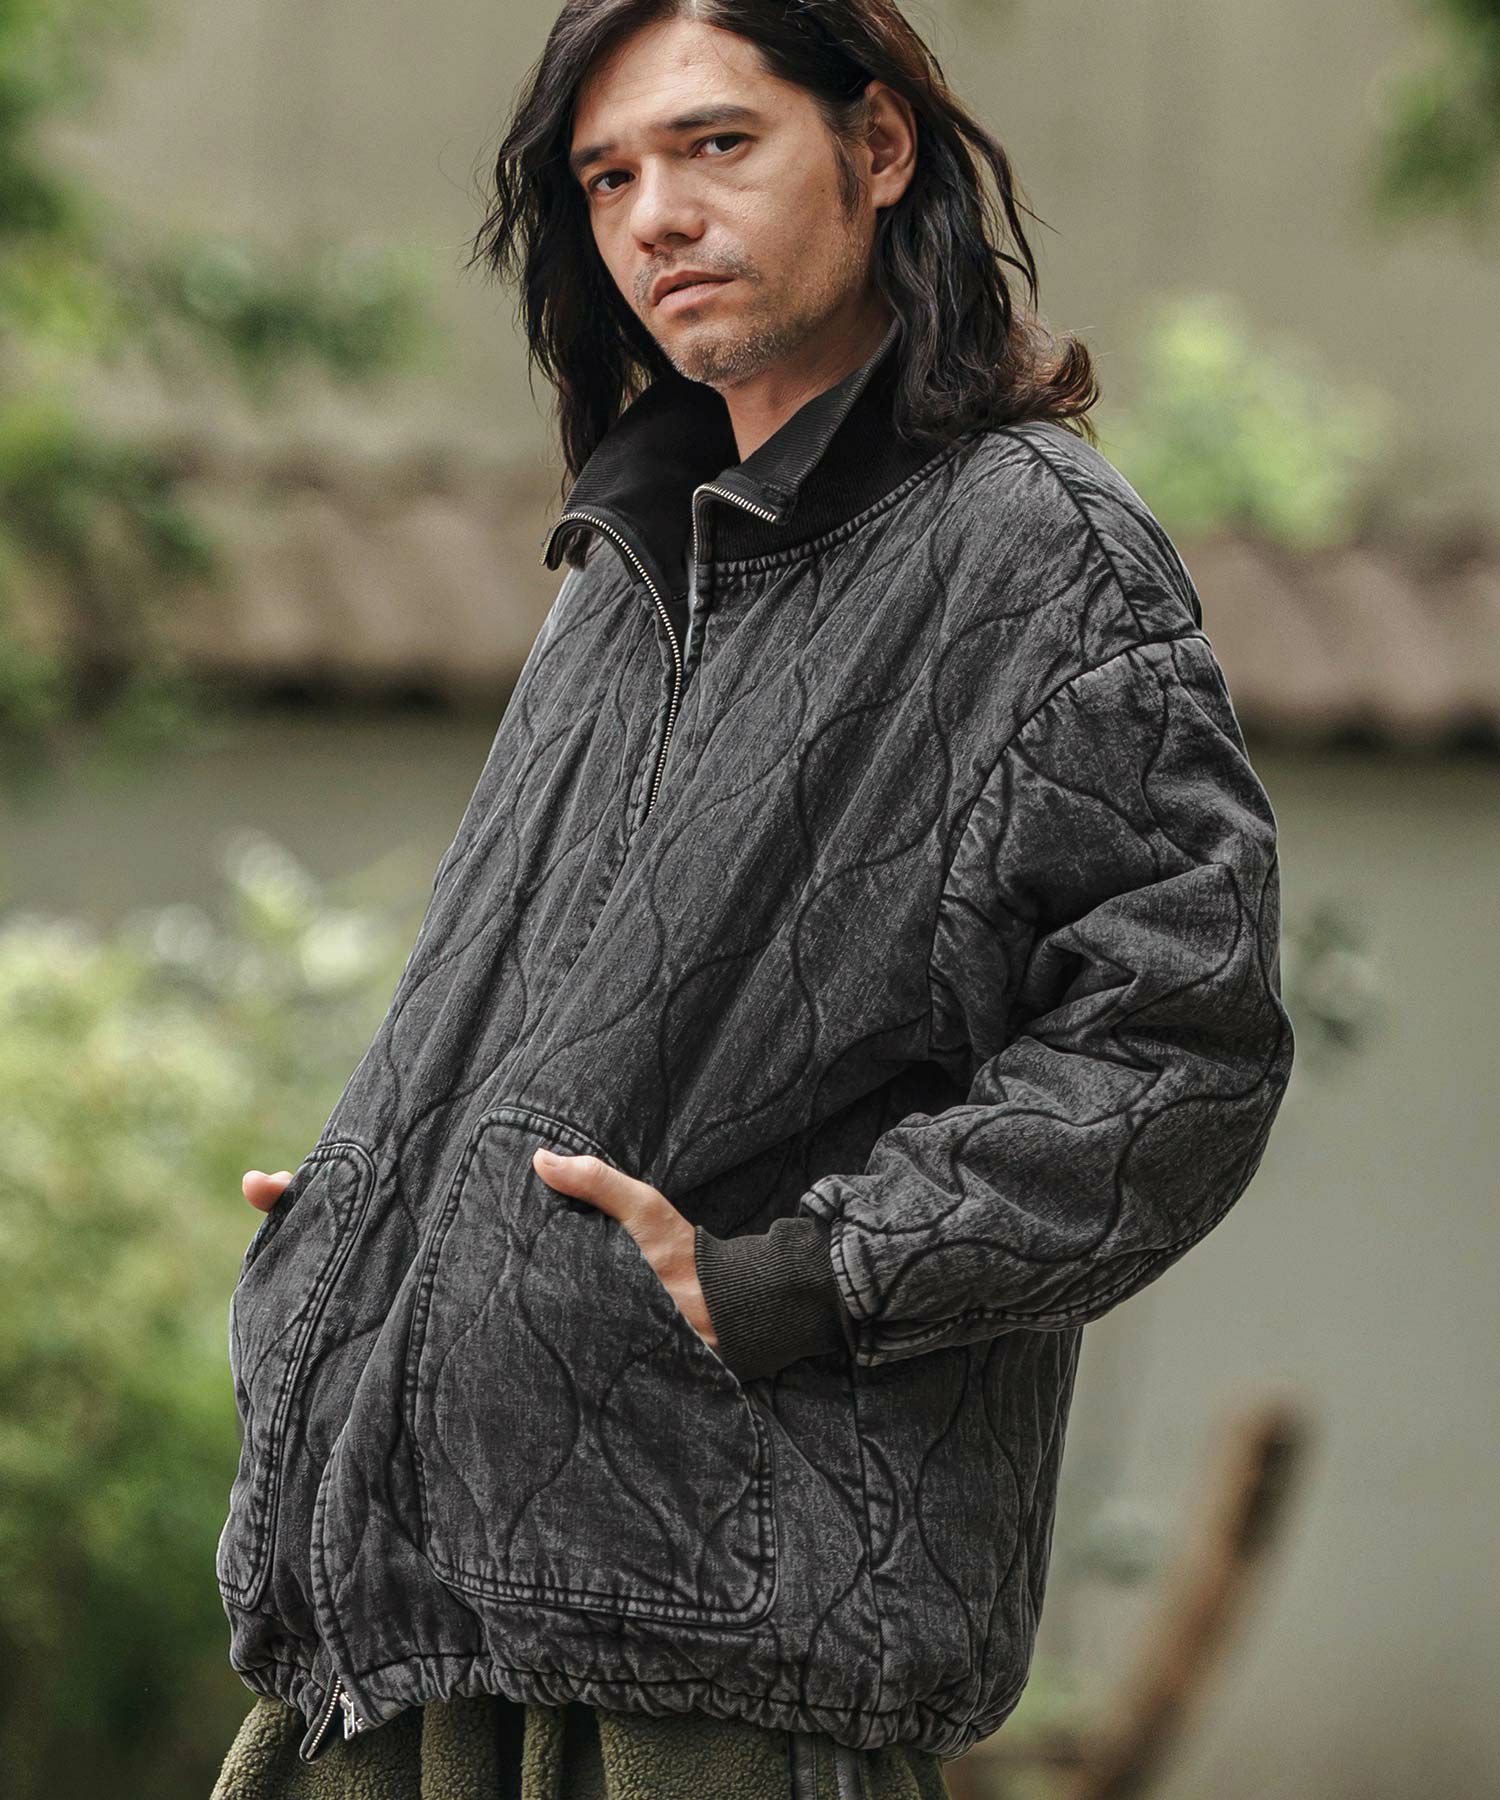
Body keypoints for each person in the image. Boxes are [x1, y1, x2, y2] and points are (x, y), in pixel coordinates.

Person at [211, 1, 1296, 1796]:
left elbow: (1180, 1050)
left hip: (712, 1653)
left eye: (717, 143)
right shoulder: (624, 561)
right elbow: (587, 1029)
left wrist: (795, 1277)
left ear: (879, 149)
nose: (656, 215)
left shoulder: (1031, 550)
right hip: (398, 1640)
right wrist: (378, 1207)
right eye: (607, 177)